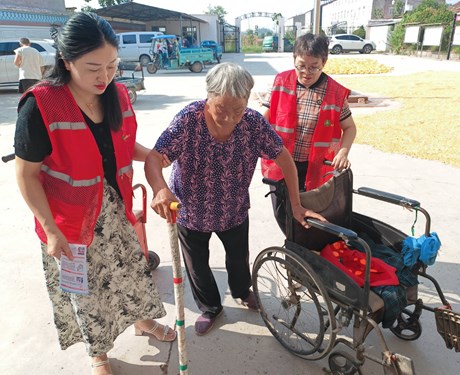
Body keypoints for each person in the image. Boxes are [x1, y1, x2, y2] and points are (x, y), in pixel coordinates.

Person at [14, 12, 175, 375]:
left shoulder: (116, 94)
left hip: (114, 206)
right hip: (68, 222)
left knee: (131, 271)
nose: (104, 77)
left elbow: (119, 142)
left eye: (112, 66)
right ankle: (98, 354)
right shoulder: (40, 105)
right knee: (86, 292)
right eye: (92, 68)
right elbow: (25, 175)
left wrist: (151, 157)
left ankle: (142, 321)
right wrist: (50, 228)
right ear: (67, 62)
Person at [144, 62, 325, 336]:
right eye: (221, 110)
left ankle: (242, 291)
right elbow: (154, 157)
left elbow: (283, 158)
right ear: (208, 97)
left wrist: (296, 204)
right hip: (191, 211)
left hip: (233, 209)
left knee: (239, 259)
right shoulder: (188, 120)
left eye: (237, 110)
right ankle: (211, 308)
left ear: (247, 103)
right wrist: (159, 188)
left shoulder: (252, 123)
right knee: (198, 266)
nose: (229, 118)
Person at [260, 33, 357, 233]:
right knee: (282, 213)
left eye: (314, 67)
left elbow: (350, 127)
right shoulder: (281, 82)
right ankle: (293, 247)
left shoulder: (335, 92)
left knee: (308, 217)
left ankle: (300, 253)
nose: (306, 72)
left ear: (324, 62)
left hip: (314, 167)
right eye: (301, 65)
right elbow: (265, 116)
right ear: (294, 58)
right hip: (282, 162)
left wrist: (342, 152)